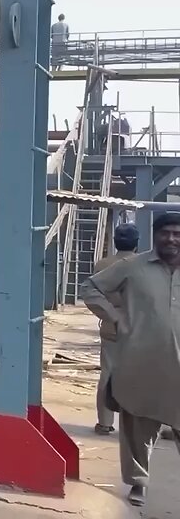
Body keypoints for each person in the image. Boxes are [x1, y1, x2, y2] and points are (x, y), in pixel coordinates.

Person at [84, 212, 180, 507]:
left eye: (177, 233)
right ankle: (138, 483)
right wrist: (114, 318)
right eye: (165, 233)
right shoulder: (133, 267)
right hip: (141, 361)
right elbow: (91, 288)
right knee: (137, 426)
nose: (171, 239)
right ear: (154, 235)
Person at [89, 223, 138, 436]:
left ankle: (105, 422)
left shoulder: (103, 264)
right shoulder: (143, 265)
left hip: (112, 327)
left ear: (116, 242)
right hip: (140, 328)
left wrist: (110, 315)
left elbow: (94, 293)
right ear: (137, 243)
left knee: (108, 374)